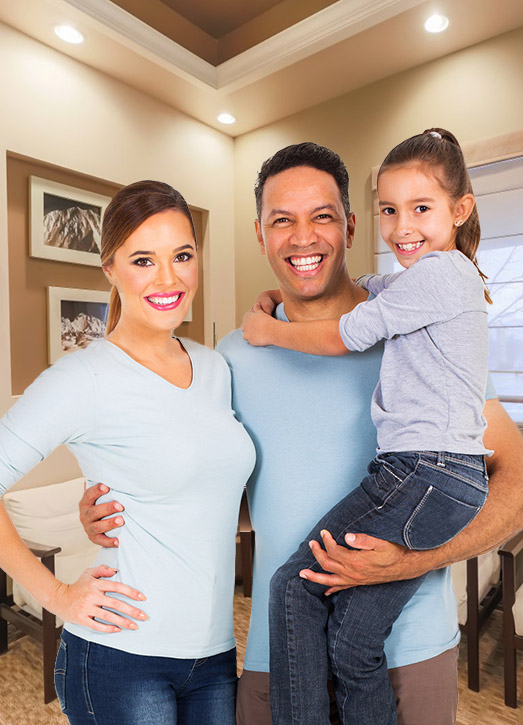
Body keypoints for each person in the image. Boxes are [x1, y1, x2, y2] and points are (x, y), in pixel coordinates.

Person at [78, 145, 523, 725]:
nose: (302, 237)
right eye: (282, 220)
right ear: (260, 235)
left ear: (351, 225)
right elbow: (221, 498)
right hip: (279, 654)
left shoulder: (421, 330)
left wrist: (410, 561)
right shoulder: (230, 358)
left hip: (406, 654)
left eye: (322, 216)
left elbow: (513, 481)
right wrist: (121, 511)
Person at [241, 129, 491, 724]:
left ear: (461, 209)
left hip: (424, 474)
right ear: (260, 235)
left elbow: (347, 329)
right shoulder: (410, 292)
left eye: (421, 208)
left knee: (291, 585)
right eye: (391, 210)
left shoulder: (433, 286)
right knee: (353, 642)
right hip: (280, 657)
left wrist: (271, 329)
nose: (403, 225)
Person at [0, 180, 255, 724]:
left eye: (182, 255)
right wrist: (55, 594)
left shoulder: (215, 367)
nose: (169, 279)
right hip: (121, 657)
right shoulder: (83, 378)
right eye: (144, 259)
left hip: (214, 654)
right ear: (110, 269)